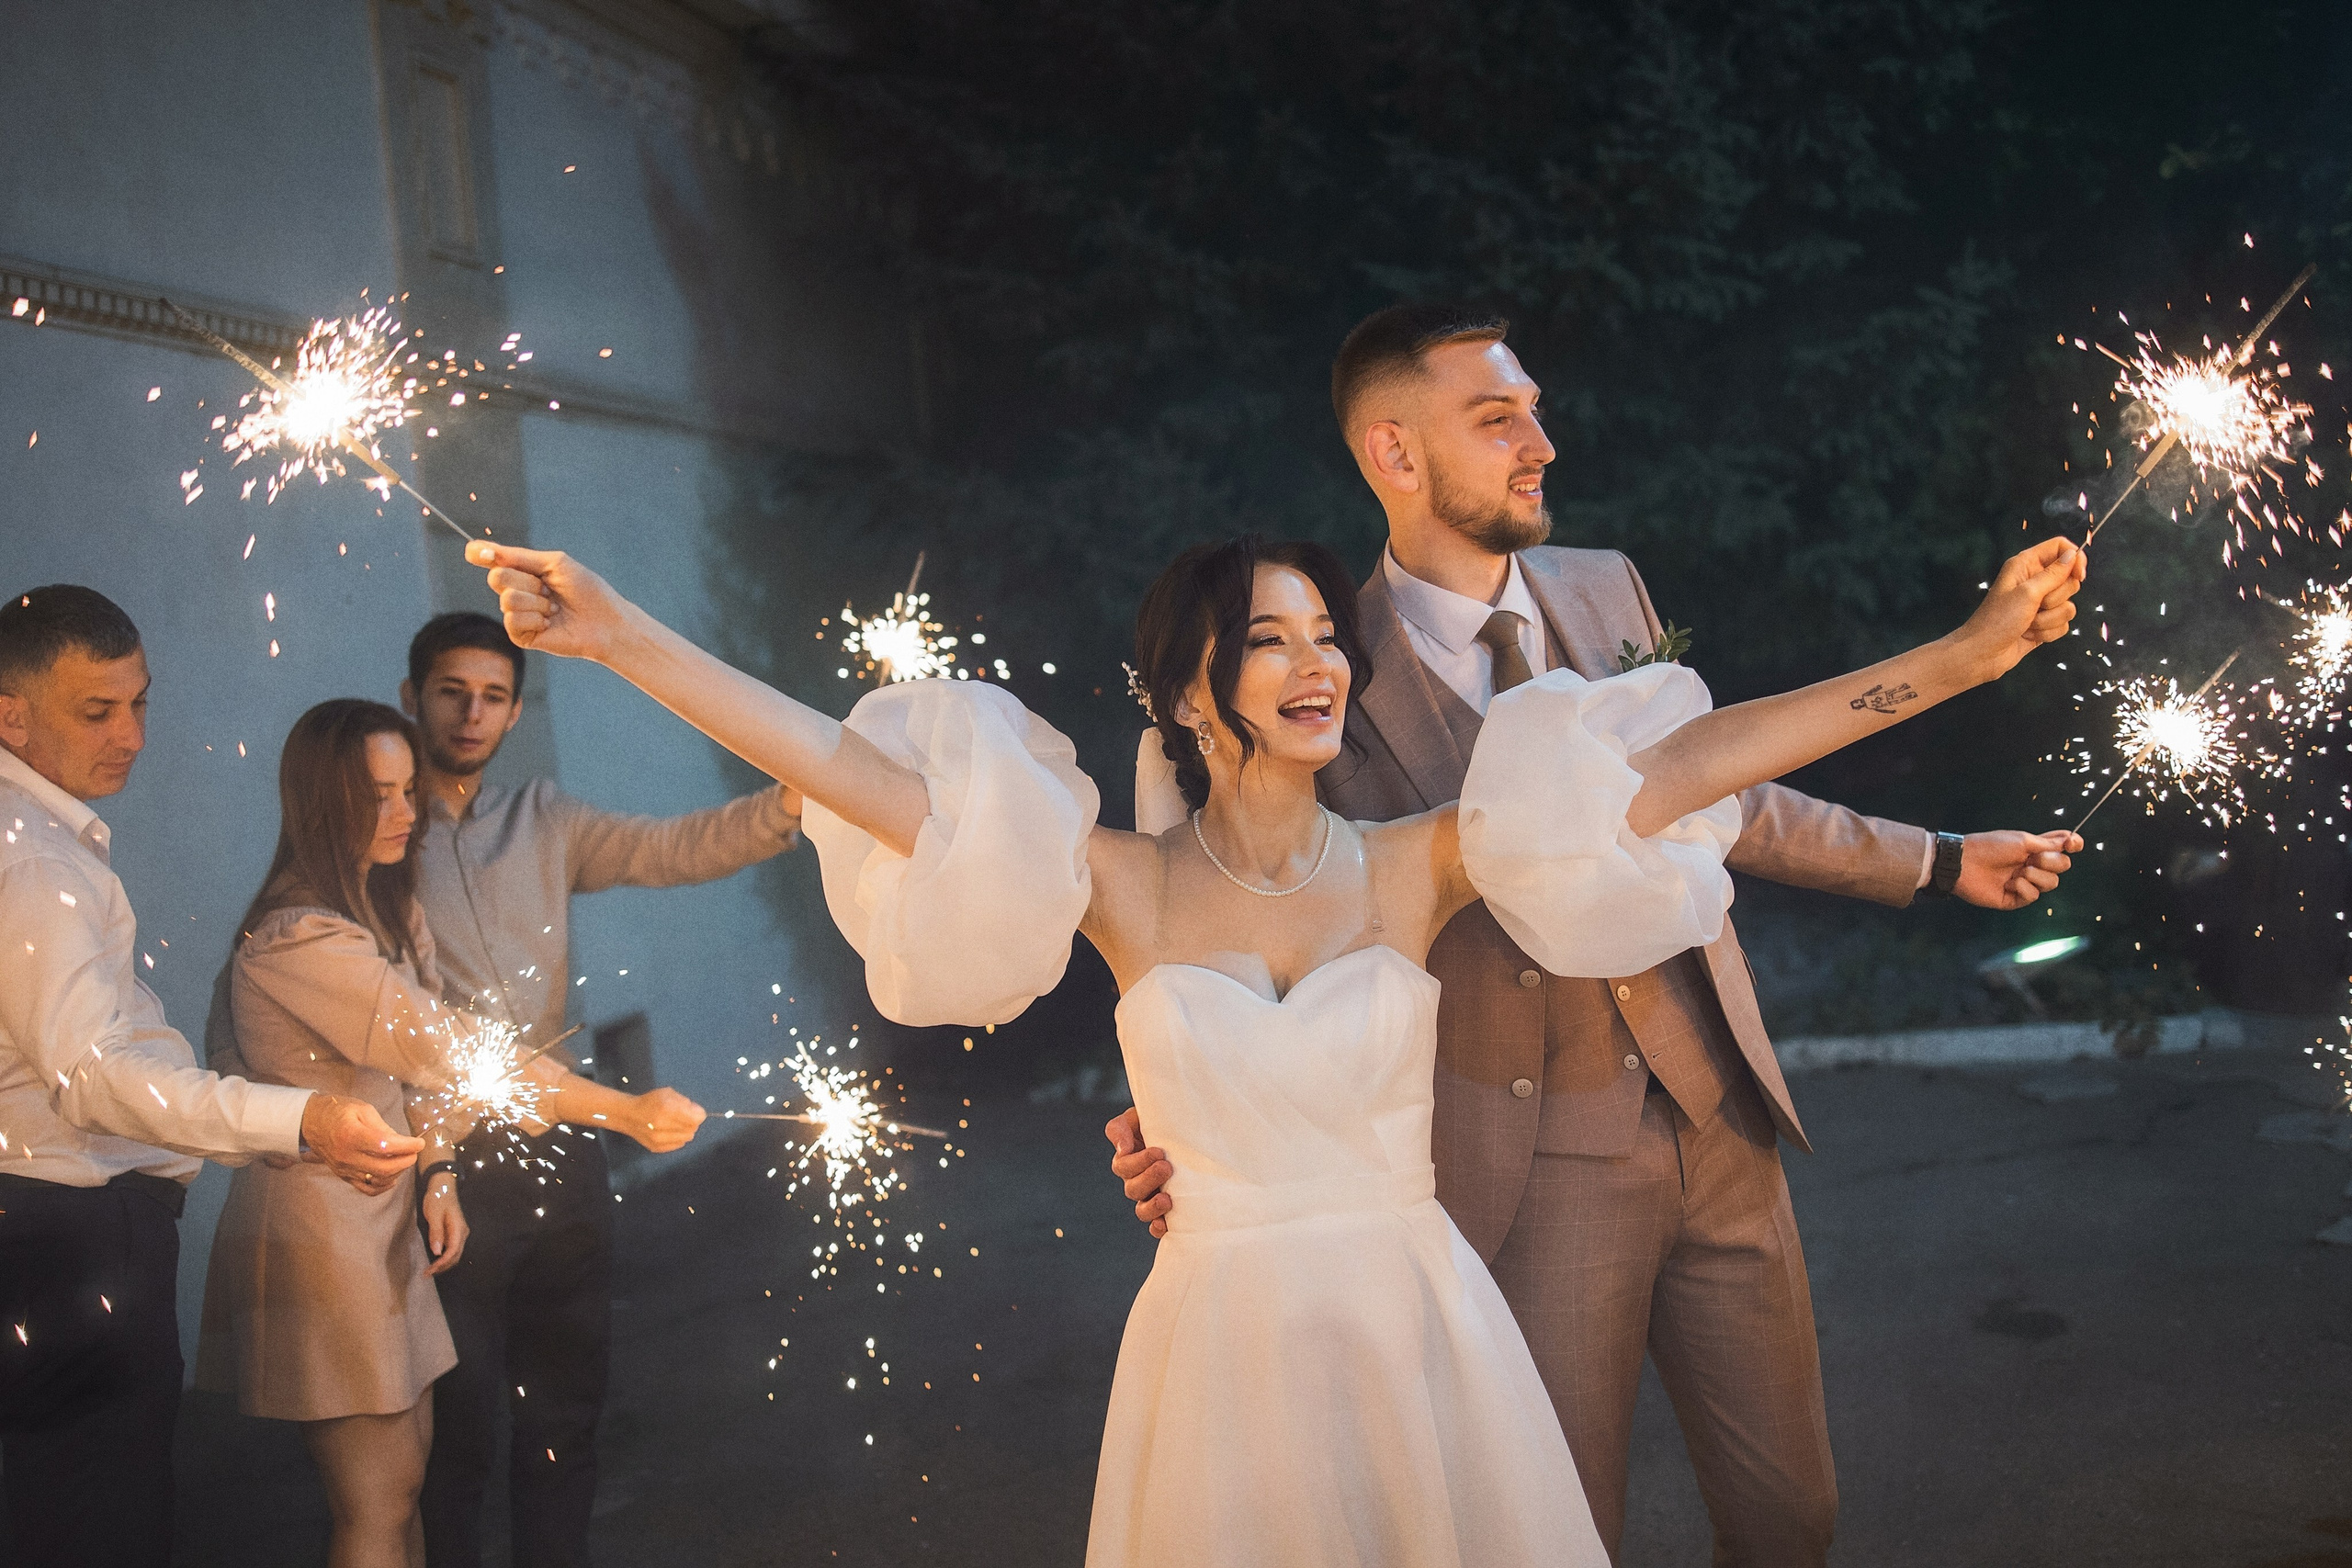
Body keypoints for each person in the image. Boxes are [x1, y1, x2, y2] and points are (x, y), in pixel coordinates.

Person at [458, 514, 2082, 1564]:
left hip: (1420, 1325)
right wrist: (618, 639)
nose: (1316, 664)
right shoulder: (1113, 886)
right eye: (1270, 640)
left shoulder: (1422, 856)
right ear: (1184, 688)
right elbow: (841, 768)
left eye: (1325, 634)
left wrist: (1956, 659)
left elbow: (1689, 769)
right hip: (1223, 1352)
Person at [1110, 304, 2086, 1565]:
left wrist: (1937, 858)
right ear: (1396, 454)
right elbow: (1243, 909)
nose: (1543, 442)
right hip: (1526, 1165)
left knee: (1794, 1516)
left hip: (1717, 1115)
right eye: (1497, 417)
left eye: (1535, 407)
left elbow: (1710, 781)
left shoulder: (1604, 583)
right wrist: (1186, 1120)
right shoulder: (1317, 671)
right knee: (1562, 1531)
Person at [196, 698, 718, 1568]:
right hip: (325, 1234)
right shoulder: (296, 936)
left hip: (385, 1218)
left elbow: (417, 1075)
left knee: (403, 1486)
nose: (410, 813)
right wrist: (620, 1109)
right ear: (326, 803)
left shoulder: (381, 907)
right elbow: (451, 1048)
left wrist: (438, 1171)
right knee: (378, 1496)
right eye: (382, 795)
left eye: (408, 789)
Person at [0, 586, 423, 1568]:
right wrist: (307, 1120)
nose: (133, 736)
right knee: (101, 1525)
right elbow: (95, 1073)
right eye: (96, 712)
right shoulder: (35, 866)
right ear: (8, 711)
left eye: (139, 702)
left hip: (49, 1232)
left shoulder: (40, 847)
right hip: (68, 1242)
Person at [395, 612, 788, 1568]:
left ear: (515, 710)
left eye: (492, 696)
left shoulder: (545, 820)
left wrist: (800, 801)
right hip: (442, 1154)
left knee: (563, 1412)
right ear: (412, 697)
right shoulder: (379, 829)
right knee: (456, 1425)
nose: (471, 713)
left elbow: (676, 847)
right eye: (452, 691)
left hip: (560, 1141)